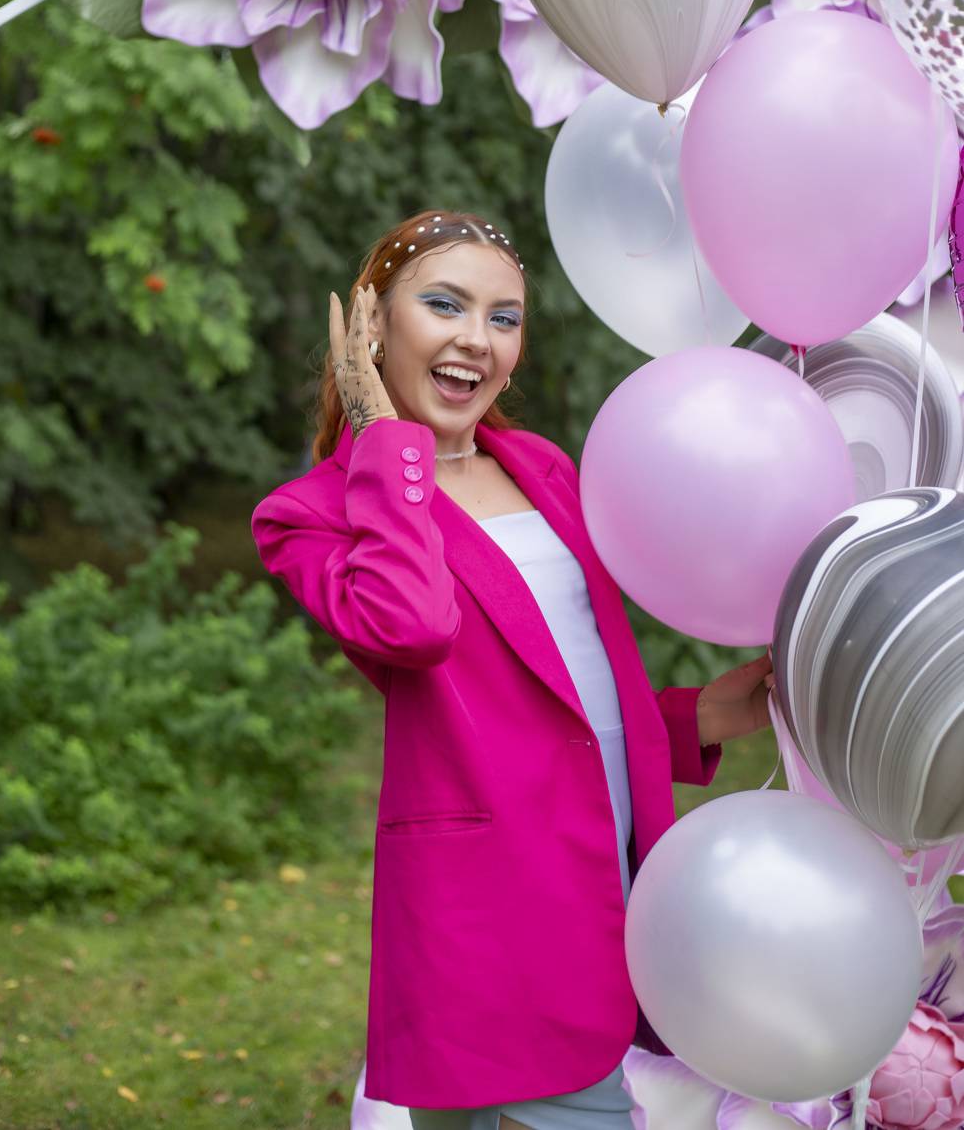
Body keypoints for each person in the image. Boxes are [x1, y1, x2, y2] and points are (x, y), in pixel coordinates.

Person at [251, 210, 773, 1130]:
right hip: (488, 907)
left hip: (610, 869)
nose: (476, 339)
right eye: (444, 305)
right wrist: (380, 435)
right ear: (372, 322)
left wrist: (697, 718)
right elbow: (413, 627)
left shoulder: (545, 468)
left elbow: (557, 695)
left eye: (503, 318)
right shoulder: (310, 512)